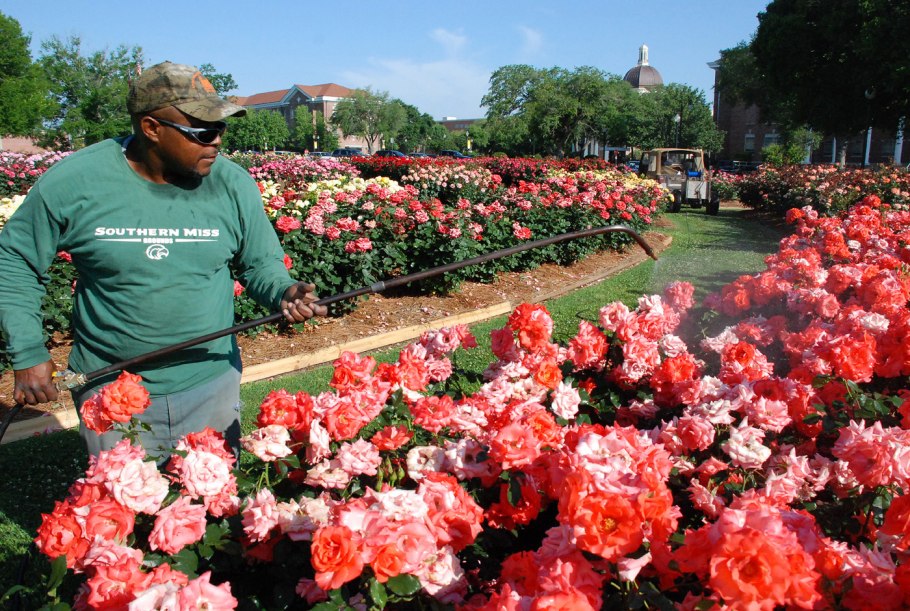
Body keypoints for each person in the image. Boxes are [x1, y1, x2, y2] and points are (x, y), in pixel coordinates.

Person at [0, 61, 327, 461]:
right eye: (203, 130)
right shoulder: (75, 182)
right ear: (151, 128)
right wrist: (29, 352)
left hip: (210, 379)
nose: (217, 142)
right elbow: (14, 261)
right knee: (119, 515)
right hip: (110, 387)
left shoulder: (231, 183)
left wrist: (284, 291)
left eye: (221, 128)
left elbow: (260, 264)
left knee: (211, 513)